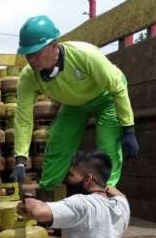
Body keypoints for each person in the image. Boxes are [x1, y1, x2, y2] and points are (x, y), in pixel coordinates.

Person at [9, 15, 139, 189]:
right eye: (27, 54)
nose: (31, 59)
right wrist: (20, 160)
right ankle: (49, 194)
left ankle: (106, 196)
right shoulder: (28, 77)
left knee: (107, 148)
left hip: (106, 97)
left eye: (36, 53)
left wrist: (128, 128)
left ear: (54, 46)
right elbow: (24, 118)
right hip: (73, 104)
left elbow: (117, 88)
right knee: (57, 144)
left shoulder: (84, 55)